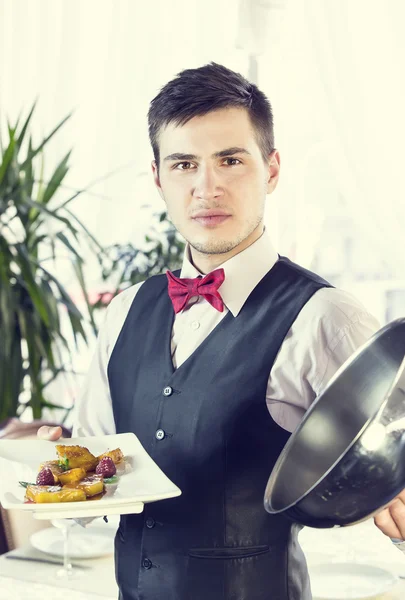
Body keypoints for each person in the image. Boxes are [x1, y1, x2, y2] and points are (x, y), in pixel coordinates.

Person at [38, 62, 405, 599]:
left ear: (272, 170)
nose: (206, 187)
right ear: (159, 178)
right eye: (184, 164)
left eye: (230, 160)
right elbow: (99, 471)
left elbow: (384, 464)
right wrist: (64, 469)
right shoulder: (122, 312)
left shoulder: (325, 315)